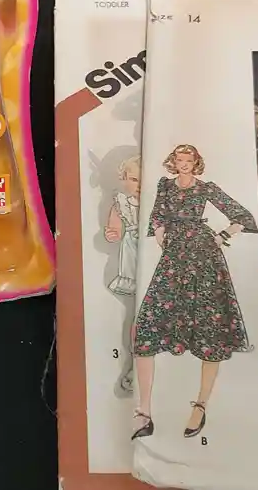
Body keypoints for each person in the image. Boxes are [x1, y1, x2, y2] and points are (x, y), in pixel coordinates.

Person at [131, 145, 257, 440]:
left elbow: (243, 216)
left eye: (189, 160)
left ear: (196, 162)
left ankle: (200, 407)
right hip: (174, 257)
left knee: (211, 328)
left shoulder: (205, 188)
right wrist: (163, 239)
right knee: (147, 326)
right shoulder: (165, 186)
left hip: (204, 257)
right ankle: (144, 412)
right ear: (173, 162)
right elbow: (157, 217)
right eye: (180, 159)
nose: (184, 164)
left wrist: (223, 235)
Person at [104, 155, 141, 395]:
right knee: (138, 312)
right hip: (133, 255)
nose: (138, 186)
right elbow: (115, 224)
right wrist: (113, 233)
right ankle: (134, 364)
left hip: (158, 254)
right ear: (123, 179)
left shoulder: (161, 200)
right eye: (133, 179)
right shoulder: (121, 201)